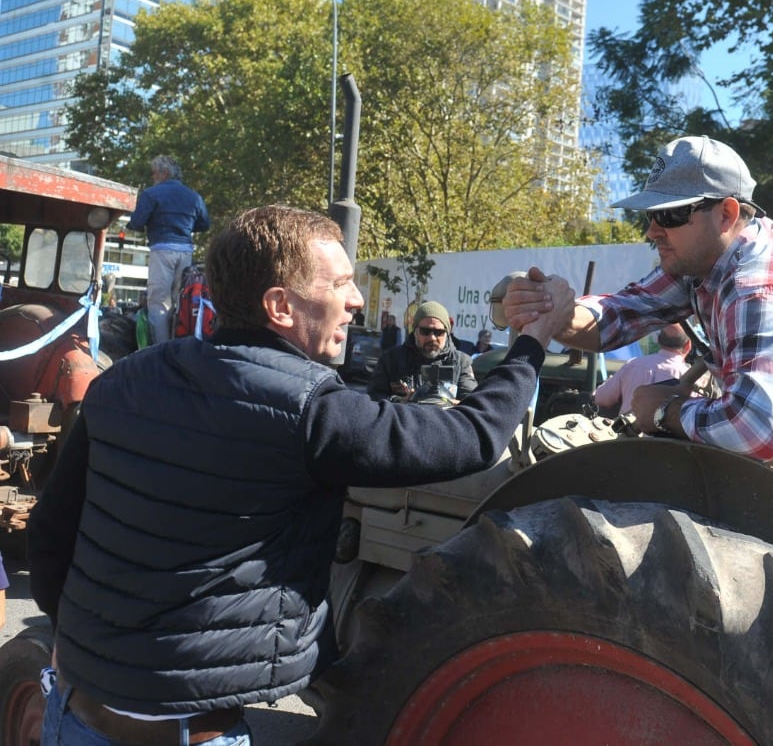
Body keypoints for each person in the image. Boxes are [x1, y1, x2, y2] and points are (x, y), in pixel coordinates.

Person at [27, 204, 573, 745]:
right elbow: (473, 438)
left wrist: (70, 640)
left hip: (73, 710)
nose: (356, 301)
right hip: (185, 734)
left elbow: (51, 533)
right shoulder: (314, 411)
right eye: (339, 284)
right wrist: (531, 344)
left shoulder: (123, 380)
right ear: (280, 305)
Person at [503, 135, 773, 478]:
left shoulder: (762, 288)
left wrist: (665, 409)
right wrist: (555, 308)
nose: (652, 230)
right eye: (649, 215)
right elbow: (620, 315)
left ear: (726, 213)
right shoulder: (706, 261)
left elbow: (759, 430)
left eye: (669, 214)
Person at [128, 155, 211, 344]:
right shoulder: (193, 196)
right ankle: (180, 343)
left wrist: (134, 225)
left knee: (158, 302)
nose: (152, 177)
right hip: (185, 252)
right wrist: (186, 227)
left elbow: (138, 221)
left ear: (164, 173)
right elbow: (204, 224)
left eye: (154, 173)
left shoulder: (151, 194)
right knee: (182, 300)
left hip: (162, 251)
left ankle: (161, 348)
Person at [368, 300, 478, 404]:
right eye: (425, 331)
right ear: (415, 331)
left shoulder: (461, 362)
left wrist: (451, 404)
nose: (432, 338)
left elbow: (472, 402)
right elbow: (374, 396)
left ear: (447, 333)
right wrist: (399, 401)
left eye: (438, 332)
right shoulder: (391, 359)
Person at [594, 324, 694, 416]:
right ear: (688, 345)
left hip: (625, 433)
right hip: (665, 436)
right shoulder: (693, 379)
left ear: (659, 341)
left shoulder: (633, 364)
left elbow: (601, 398)